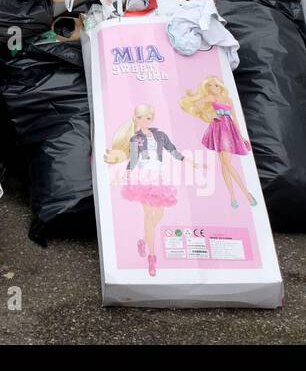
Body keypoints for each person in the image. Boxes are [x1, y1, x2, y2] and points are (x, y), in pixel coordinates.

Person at [104, 104, 184, 277]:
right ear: (135, 119)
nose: (144, 121)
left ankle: (143, 239)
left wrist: (189, 161)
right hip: (142, 177)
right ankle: (152, 258)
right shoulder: (135, 138)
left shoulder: (161, 135)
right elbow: (133, 160)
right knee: (148, 215)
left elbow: (172, 149)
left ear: (152, 118)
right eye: (140, 117)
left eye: (147, 117)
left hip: (159, 178)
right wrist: (122, 175)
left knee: (160, 214)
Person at [180, 75, 258, 209]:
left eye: (215, 85)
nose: (213, 88)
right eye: (209, 86)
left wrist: (241, 136)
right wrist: (210, 115)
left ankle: (245, 194)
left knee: (226, 164)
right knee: (224, 164)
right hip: (218, 129)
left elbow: (235, 118)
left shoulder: (228, 99)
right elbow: (196, 105)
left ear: (220, 85)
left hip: (229, 130)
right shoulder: (211, 98)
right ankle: (235, 195)